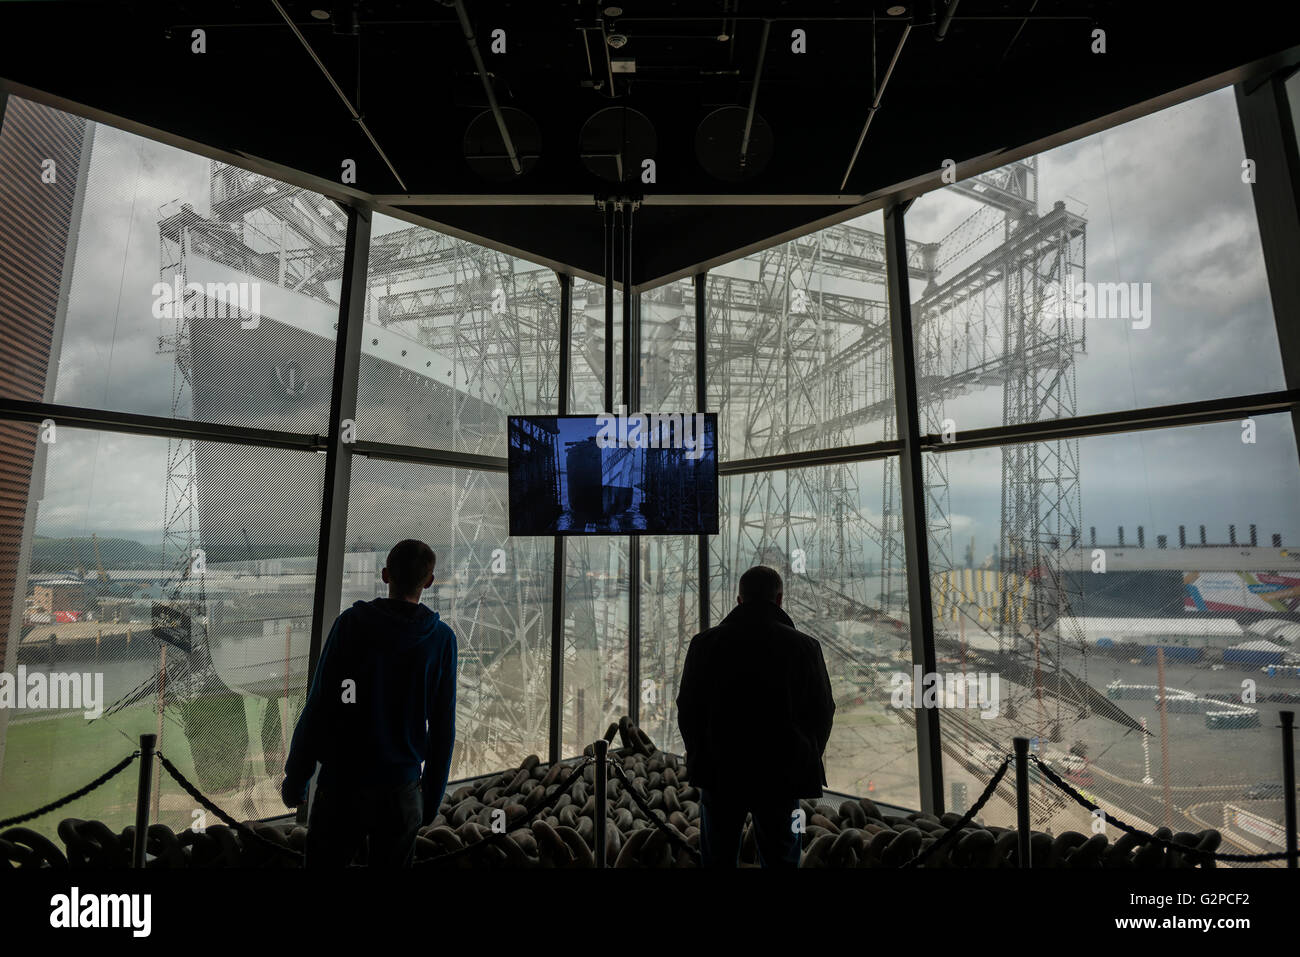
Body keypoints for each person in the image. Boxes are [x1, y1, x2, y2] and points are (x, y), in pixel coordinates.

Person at [281, 539, 457, 866]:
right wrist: (430, 800)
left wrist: (297, 777)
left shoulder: (352, 625)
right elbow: (443, 729)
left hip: (342, 783)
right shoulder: (441, 640)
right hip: (401, 789)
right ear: (429, 582)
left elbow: (320, 707)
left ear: (386, 574)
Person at [676, 565, 834, 868]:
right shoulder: (804, 647)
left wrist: (700, 752)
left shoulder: (704, 644)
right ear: (779, 600)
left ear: (739, 600)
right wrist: (805, 753)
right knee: (782, 857)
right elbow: (823, 711)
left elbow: (688, 708)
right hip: (782, 772)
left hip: (720, 770)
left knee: (718, 856)